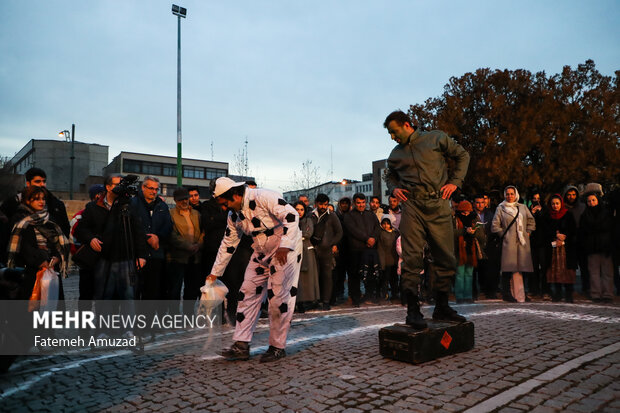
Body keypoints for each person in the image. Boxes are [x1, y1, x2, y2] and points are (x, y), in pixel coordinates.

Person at [384, 110, 469, 329]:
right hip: (412, 206)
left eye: (394, 132)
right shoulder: (395, 155)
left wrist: (455, 182)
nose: (393, 137)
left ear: (406, 124)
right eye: (390, 134)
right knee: (411, 259)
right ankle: (413, 312)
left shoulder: (436, 138)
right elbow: (389, 175)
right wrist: (394, 189)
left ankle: (441, 307)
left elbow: (462, 155)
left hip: (438, 203)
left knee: (446, 257)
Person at [206, 178, 302, 362]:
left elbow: (291, 215)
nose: (225, 207)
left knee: (279, 297)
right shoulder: (234, 216)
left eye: (225, 202)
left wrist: (285, 245)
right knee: (247, 292)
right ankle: (241, 344)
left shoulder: (263, 196)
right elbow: (228, 243)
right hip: (260, 249)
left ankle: (277, 346)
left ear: (234, 195)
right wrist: (215, 272)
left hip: (284, 248)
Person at [75, 174, 147, 338]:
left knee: (128, 295)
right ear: (107, 187)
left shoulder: (128, 206)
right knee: (103, 296)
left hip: (125, 258)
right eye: (117, 184)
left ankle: (128, 329)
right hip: (104, 258)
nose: (120, 187)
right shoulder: (93, 207)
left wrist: (141, 255)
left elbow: (138, 231)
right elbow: (81, 229)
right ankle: (102, 330)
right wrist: (90, 238)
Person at [7, 186, 70, 303]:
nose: (41, 202)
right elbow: (23, 246)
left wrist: (56, 257)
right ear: (27, 200)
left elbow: (59, 241)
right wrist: (40, 260)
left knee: (52, 305)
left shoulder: (49, 218)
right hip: (30, 270)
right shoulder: (20, 218)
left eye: (43, 199)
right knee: (33, 306)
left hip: (51, 267)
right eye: (37, 199)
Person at [130, 176, 172, 304]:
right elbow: (131, 227)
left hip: (156, 255)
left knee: (152, 294)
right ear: (143, 187)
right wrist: (147, 237)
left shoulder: (162, 206)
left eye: (156, 189)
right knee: (135, 293)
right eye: (151, 188)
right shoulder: (133, 203)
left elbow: (168, 226)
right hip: (136, 255)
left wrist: (158, 237)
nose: (154, 191)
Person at [491, 186, 535, 302]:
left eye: (512, 194)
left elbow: (531, 221)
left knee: (522, 269)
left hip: (522, 242)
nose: (509, 196)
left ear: (516, 195)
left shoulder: (523, 207)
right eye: (507, 194)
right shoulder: (500, 208)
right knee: (507, 269)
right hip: (508, 243)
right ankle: (506, 293)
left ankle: (521, 293)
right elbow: (495, 226)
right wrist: (504, 235)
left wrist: (528, 232)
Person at [1, 167, 70, 237]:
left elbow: (65, 228)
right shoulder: (13, 203)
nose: (42, 184)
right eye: (37, 181)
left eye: (44, 181)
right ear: (28, 183)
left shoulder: (56, 204)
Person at [167, 188, 204, 317]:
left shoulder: (196, 214)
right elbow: (172, 235)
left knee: (192, 289)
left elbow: (203, 232)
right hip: (178, 258)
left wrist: (199, 244)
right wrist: (187, 246)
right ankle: (174, 315)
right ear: (175, 201)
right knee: (175, 289)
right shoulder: (170, 214)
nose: (184, 201)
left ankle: (189, 315)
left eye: (186, 198)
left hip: (194, 258)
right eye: (181, 199)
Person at [344, 193, 381, 306]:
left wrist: (373, 238)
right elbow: (352, 230)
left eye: (363, 202)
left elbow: (377, 227)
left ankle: (369, 295)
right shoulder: (349, 216)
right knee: (354, 275)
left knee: (370, 274)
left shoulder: (370, 214)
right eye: (359, 203)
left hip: (369, 250)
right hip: (355, 250)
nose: (361, 205)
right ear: (355, 203)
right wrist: (366, 239)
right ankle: (355, 298)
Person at [579, 192, 614, 302]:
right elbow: (583, 232)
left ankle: (608, 294)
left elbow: (610, 230)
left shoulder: (606, 213)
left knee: (607, 272)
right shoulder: (585, 215)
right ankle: (595, 294)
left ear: (598, 200)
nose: (591, 203)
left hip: (605, 247)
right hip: (591, 248)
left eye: (593, 200)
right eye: (589, 201)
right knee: (594, 273)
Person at [310, 193, 342, 311]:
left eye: (325, 204)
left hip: (327, 251)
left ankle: (326, 301)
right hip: (313, 250)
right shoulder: (311, 215)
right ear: (316, 203)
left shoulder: (332, 216)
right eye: (321, 204)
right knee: (315, 276)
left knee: (327, 276)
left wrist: (332, 243)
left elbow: (339, 232)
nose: (323, 206)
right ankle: (316, 300)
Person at [543, 194, 577, 302]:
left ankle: (569, 294)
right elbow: (545, 230)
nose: (555, 206)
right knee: (555, 270)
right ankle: (557, 293)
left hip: (567, 248)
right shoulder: (547, 216)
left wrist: (563, 237)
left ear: (561, 203)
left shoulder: (568, 214)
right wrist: (556, 235)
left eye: (557, 203)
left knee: (568, 271)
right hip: (553, 248)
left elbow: (573, 230)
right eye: (553, 204)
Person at [453, 200, 485, 303]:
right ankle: (460, 296)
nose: (466, 214)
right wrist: (464, 231)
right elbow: (451, 233)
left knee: (469, 274)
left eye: (467, 212)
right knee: (460, 274)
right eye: (463, 212)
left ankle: (468, 296)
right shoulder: (455, 219)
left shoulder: (475, 218)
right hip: (459, 250)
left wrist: (474, 232)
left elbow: (481, 236)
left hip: (471, 250)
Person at [293, 202, 320, 311]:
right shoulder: (291, 221)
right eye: (297, 209)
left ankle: (308, 300)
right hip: (294, 251)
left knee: (308, 277)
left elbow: (308, 233)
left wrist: (296, 235)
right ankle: (298, 301)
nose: (299, 212)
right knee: (297, 278)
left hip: (306, 251)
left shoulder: (308, 220)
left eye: (301, 209)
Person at [563, 185, 588, 296]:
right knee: (570, 267)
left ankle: (586, 288)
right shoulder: (563, 207)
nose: (571, 197)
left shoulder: (583, 207)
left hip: (582, 240)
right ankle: (570, 289)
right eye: (569, 194)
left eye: (573, 194)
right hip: (568, 241)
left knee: (585, 267)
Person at [473, 194, 498, 299]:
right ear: (474, 203)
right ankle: (474, 292)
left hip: (489, 244)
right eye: (478, 202)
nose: (480, 205)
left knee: (489, 269)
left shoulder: (490, 214)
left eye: (482, 202)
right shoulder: (470, 214)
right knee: (475, 270)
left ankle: (490, 291)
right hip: (475, 245)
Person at [528, 191, 548, 298]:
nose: (537, 201)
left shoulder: (545, 210)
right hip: (532, 242)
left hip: (543, 242)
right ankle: (533, 290)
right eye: (534, 198)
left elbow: (545, 224)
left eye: (539, 198)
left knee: (544, 267)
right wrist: (532, 213)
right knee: (533, 268)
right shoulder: (528, 210)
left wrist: (539, 213)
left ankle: (545, 290)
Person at [332, 197, 351, 304]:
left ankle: (350, 294)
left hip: (350, 247)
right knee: (339, 273)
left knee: (351, 272)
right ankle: (339, 292)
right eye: (343, 203)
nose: (345, 205)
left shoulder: (351, 215)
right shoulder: (336, 216)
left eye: (346, 203)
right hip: (339, 247)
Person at [377, 216, 399, 303]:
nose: (386, 225)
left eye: (387, 224)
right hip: (385, 260)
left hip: (395, 259)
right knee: (385, 279)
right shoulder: (381, 234)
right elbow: (380, 249)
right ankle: (384, 294)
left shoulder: (396, 233)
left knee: (394, 279)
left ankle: (395, 294)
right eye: (384, 224)